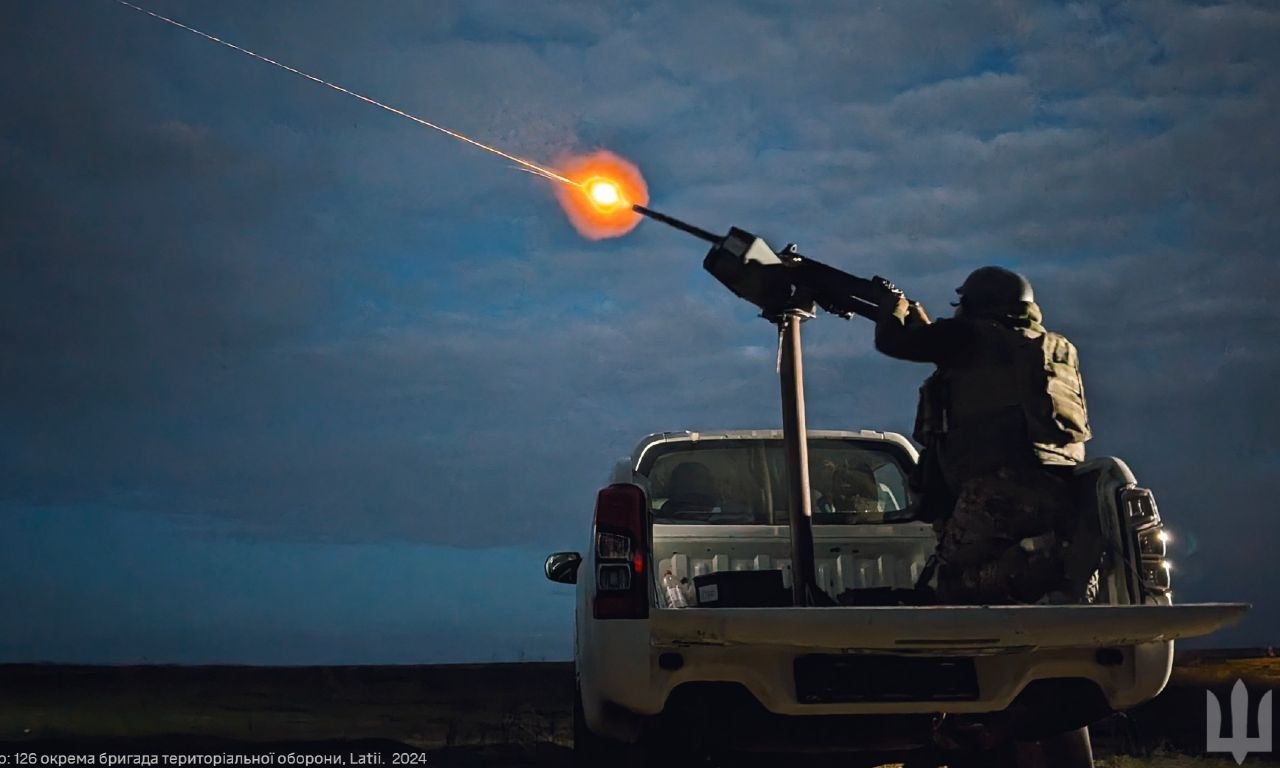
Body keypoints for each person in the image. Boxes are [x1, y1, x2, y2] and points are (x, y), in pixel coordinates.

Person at [873, 267, 1092, 604]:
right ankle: (1047, 564)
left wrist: (893, 307)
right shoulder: (1049, 346)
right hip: (1056, 487)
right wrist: (928, 328)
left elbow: (891, 341)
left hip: (993, 490)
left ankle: (1046, 567)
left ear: (976, 304)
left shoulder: (967, 336)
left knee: (954, 587)